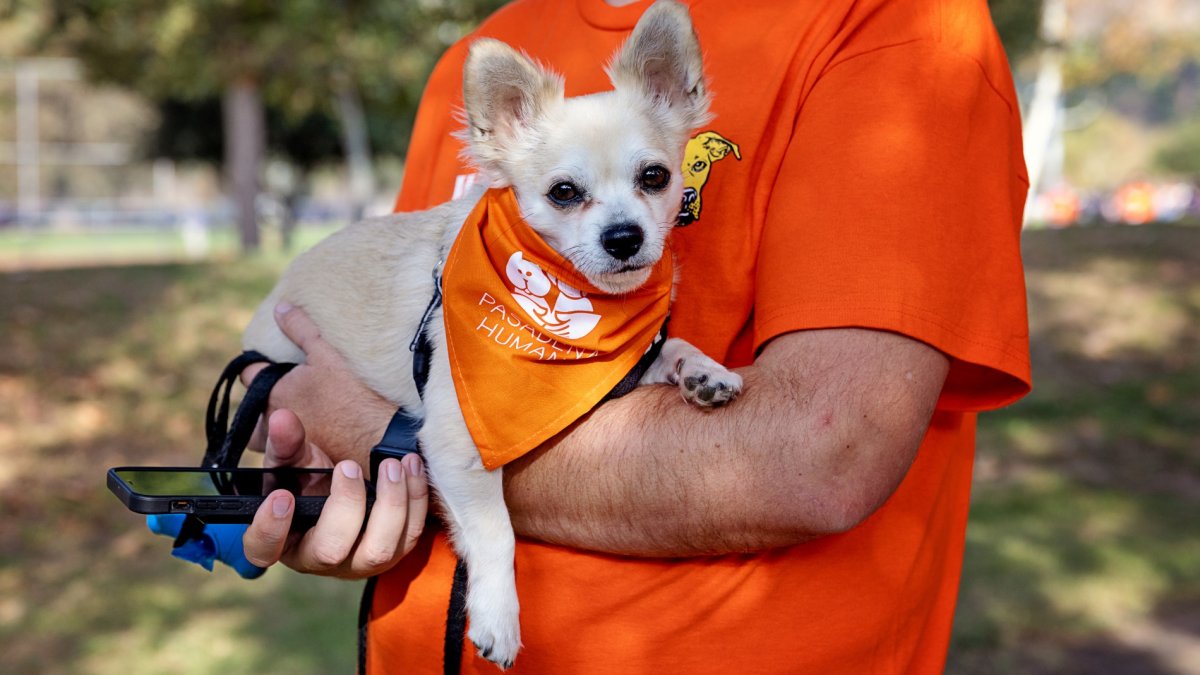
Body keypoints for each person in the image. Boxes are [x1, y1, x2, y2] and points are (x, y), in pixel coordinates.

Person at [242, 0, 1031, 672]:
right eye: (566, 196)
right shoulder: (474, 59)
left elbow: (824, 450)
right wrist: (339, 491)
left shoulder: (891, 24)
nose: (620, 224)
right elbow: (375, 364)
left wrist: (392, 438)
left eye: (652, 179)